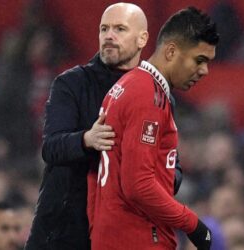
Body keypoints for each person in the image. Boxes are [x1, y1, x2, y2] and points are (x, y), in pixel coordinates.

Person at [25, 3, 183, 250]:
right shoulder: (72, 83)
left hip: (123, 235)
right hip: (64, 232)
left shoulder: (159, 96)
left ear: (143, 39)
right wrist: (87, 139)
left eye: (120, 29)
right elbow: (51, 147)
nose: (109, 35)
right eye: (104, 29)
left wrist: (154, 179)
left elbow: (173, 167)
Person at [90, 6, 219, 250]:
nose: (204, 71)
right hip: (137, 238)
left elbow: (95, 176)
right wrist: (193, 225)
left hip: (116, 235)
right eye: (199, 60)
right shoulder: (147, 95)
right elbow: (138, 185)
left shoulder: (128, 85)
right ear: (171, 51)